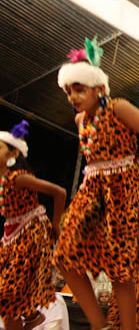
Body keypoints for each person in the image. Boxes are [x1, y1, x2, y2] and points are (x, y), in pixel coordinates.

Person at [53, 37, 139, 330]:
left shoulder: (118, 107)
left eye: (79, 88)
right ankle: (98, 323)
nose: (72, 96)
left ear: (99, 88)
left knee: (122, 269)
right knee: (64, 255)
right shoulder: (80, 121)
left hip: (125, 188)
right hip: (92, 189)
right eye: (68, 91)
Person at [0, 121, 67, 330]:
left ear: (14, 154)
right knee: (8, 298)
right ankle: (31, 317)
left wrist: (56, 224)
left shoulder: (19, 178)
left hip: (32, 233)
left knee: (7, 295)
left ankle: (31, 317)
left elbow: (60, 192)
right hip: (12, 235)